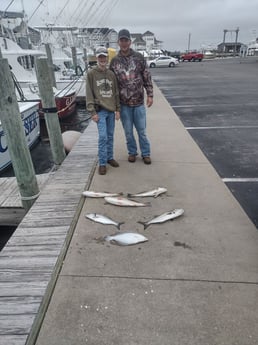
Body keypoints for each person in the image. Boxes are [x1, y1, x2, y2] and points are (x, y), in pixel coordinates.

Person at [110, 28, 153, 165]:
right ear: (118, 42)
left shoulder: (139, 57)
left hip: (139, 102)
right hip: (124, 104)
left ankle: (145, 153)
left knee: (142, 131)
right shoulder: (114, 61)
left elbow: (147, 76)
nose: (124, 43)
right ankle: (132, 152)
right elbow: (112, 83)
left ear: (130, 41)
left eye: (126, 40)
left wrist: (150, 95)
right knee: (128, 132)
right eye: (121, 40)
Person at [86, 46, 120, 175]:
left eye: (104, 57)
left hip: (111, 110)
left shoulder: (111, 74)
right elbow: (89, 93)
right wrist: (92, 112)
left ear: (107, 58)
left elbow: (116, 93)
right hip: (100, 110)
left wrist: (118, 109)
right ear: (97, 58)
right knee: (103, 137)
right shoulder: (91, 74)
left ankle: (110, 157)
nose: (102, 59)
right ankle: (102, 163)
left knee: (110, 136)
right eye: (100, 57)